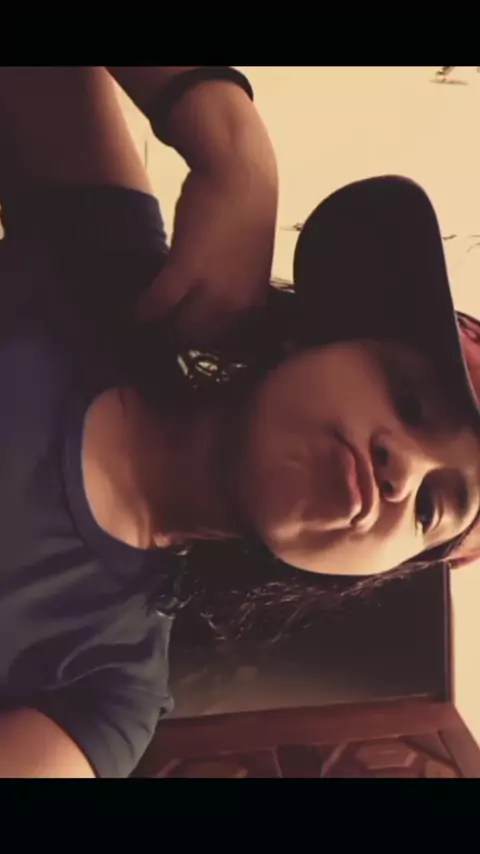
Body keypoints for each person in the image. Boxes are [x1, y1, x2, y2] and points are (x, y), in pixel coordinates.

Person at [0, 66, 479, 778]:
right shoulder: (109, 268)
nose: (403, 474)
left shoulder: (104, 693)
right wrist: (235, 146)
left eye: (434, 508)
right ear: (322, 336)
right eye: (409, 401)